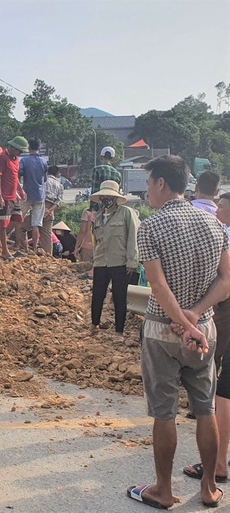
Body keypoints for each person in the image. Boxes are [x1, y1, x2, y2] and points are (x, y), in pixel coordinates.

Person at [127, 155, 229, 510]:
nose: (147, 190)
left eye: (149, 182)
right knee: (205, 409)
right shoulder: (214, 223)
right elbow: (226, 280)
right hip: (205, 330)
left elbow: (157, 285)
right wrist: (196, 318)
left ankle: (164, 490)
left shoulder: (151, 227)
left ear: (160, 184)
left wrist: (182, 324)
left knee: (165, 413)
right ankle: (208, 488)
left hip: (162, 332)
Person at [182, 191, 230, 491]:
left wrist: (196, 311)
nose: (216, 211)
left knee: (223, 390)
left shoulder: (224, 237)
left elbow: (225, 285)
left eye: (221, 207)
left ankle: (219, 464)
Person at [88, 180, 139, 337]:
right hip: (101, 261)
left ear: (116, 198)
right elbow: (96, 241)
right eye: (103, 196)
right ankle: (93, 326)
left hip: (120, 262)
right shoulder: (98, 217)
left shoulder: (126, 213)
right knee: (97, 294)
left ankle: (119, 331)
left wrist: (132, 261)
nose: (106, 199)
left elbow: (133, 238)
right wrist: (93, 262)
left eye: (109, 196)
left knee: (119, 297)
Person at [0, 137, 28, 260]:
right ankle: (5, 251)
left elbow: (15, 177)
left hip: (13, 196)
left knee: (18, 219)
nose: (20, 153)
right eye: (19, 150)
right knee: (3, 224)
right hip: (4, 196)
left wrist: (20, 190)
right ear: (12, 148)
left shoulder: (16, 159)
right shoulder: (2, 158)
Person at [17, 138, 48, 255]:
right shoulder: (43, 162)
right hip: (39, 195)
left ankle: (20, 246)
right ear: (39, 148)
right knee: (36, 223)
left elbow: (18, 175)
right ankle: (35, 248)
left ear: (29, 148)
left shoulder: (24, 161)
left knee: (19, 219)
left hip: (26, 194)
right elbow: (45, 179)